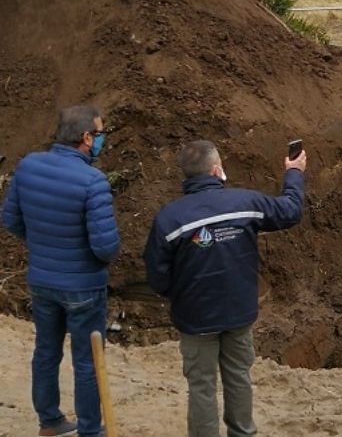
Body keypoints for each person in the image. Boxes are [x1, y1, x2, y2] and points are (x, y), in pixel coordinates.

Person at [143, 140, 306, 437]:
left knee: (202, 386)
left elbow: (156, 275)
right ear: (217, 169)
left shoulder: (169, 218)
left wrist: (181, 294)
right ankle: (242, 433)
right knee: (238, 377)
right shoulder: (244, 204)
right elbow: (291, 211)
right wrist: (294, 172)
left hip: (195, 318)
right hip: (238, 313)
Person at [1, 105, 120, 437]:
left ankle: (49, 421)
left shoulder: (28, 166)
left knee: (46, 350)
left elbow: (10, 220)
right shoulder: (93, 182)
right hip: (83, 287)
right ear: (86, 138)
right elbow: (105, 248)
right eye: (99, 134)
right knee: (87, 361)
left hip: (41, 281)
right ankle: (90, 431)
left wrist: (43, 245)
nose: (101, 141)